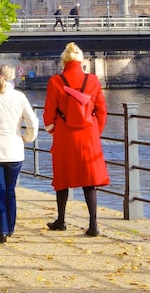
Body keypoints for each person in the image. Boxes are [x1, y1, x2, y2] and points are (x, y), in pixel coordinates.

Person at [43, 42, 109, 236]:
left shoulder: (56, 81)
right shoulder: (93, 81)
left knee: (62, 178)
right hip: (89, 133)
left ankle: (61, 220)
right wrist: (95, 131)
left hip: (65, 133)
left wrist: (54, 130)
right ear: (81, 61)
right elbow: (102, 110)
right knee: (89, 180)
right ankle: (93, 224)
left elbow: (48, 113)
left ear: (64, 60)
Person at [0, 64, 38, 244]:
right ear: (11, 78)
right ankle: (10, 227)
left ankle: (0, 229)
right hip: (14, 150)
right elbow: (32, 121)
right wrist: (27, 137)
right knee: (10, 190)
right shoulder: (19, 97)